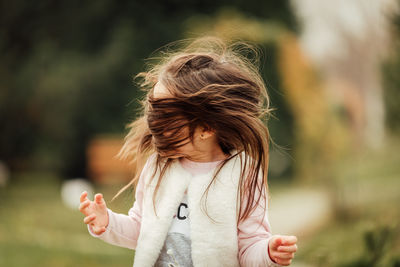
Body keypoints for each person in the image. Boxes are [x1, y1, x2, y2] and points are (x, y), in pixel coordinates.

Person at [79, 36, 298, 267]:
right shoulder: (158, 167)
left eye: (166, 115)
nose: (153, 122)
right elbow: (143, 231)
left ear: (206, 127)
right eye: (154, 109)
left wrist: (268, 253)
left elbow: (249, 246)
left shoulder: (242, 174)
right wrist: (108, 223)